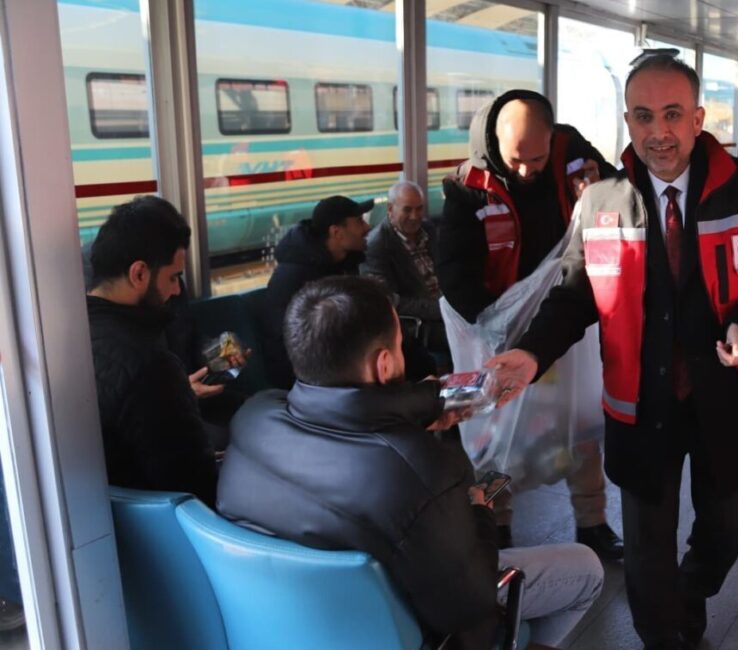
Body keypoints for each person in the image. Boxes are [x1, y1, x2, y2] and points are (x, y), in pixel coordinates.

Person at [486, 54, 738, 650]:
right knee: (645, 548)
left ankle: (692, 595)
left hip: (729, 394)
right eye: (643, 116)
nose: (658, 132)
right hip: (641, 400)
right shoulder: (602, 199)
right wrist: (531, 354)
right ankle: (662, 635)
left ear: (697, 118)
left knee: (723, 533)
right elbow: (573, 294)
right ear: (628, 122)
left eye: (671, 114)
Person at [217, 276, 603, 650]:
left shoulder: (253, 419)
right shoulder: (419, 471)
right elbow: (472, 603)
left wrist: (422, 405)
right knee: (585, 570)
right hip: (416, 629)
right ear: (384, 364)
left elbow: (347, 416)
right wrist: (480, 510)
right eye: (401, 346)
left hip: (288, 630)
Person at [437, 89, 624, 558]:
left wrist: (597, 189)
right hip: (498, 330)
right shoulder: (467, 187)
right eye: (516, 160)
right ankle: (496, 523)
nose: (526, 170)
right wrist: (499, 326)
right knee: (499, 442)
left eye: (536, 158)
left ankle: (593, 522)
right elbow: (454, 275)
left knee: (579, 426)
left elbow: (618, 192)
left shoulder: (571, 154)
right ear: (494, 143)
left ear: (552, 138)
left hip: (562, 321)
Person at [85, 196, 217, 505]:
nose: (175, 290)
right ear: (139, 274)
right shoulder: (151, 365)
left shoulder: (67, 335)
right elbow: (196, 485)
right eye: (173, 277)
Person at [260, 195, 373, 389]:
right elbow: (286, 342)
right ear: (337, 232)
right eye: (359, 222)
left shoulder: (347, 263)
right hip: (305, 375)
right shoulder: (293, 277)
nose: (366, 228)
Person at [362, 181, 449, 367]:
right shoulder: (377, 245)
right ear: (390, 209)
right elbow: (389, 300)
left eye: (419, 209)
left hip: (447, 307)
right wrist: (440, 309)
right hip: (420, 324)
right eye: (407, 209)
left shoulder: (429, 230)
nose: (415, 216)